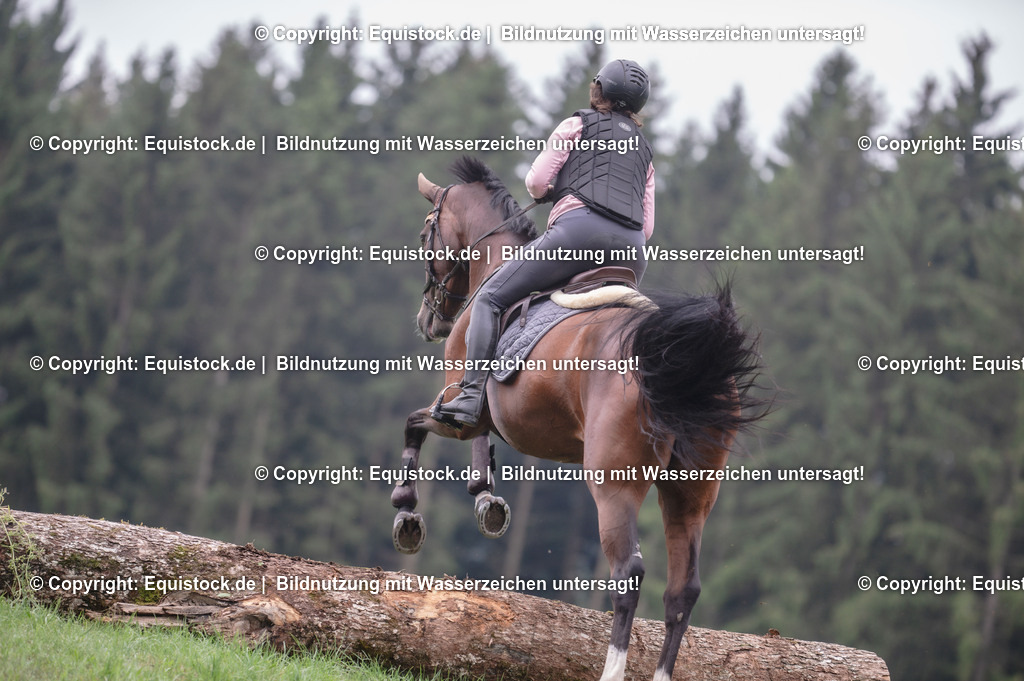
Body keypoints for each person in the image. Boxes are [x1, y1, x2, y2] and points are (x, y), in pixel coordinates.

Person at [432, 58, 656, 429]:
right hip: (632, 255)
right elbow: (647, 225)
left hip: (577, 236)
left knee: (489, 297)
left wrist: (557, 191)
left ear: (598, 89)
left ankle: (470, 396)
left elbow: (536, 182)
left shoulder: (578, 123)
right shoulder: (645, 153)